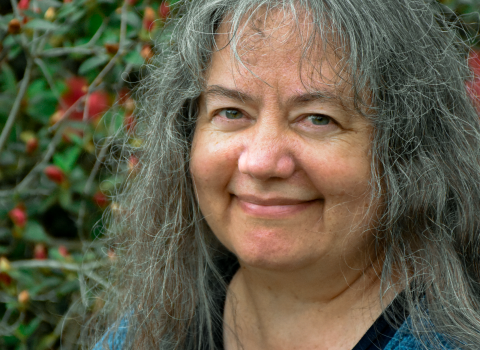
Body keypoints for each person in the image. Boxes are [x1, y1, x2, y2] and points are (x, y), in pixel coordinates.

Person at [87, 0, 480, 349]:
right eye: (231, 112)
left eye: (317, 119)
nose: (260, 163)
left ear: (408, 151)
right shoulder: (153, 330)